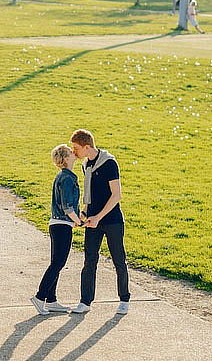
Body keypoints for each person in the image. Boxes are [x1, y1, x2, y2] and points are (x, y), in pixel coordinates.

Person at [69, 129, 130, 315]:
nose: (73, 152)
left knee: (119, 259)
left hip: (112, 220)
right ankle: (85, 301)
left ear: (87, 147)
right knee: (89, 261)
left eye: (76, 148)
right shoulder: (86, 164)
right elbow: (90, 195)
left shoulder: (109, 163)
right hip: (92, 220)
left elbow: (116, 195)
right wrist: (83, 213)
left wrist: (98, 217)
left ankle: (124, 299)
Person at [30, 145, 84, 315]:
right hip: (62, 225)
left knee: (56, 262)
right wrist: (79, 222)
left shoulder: (63, 176)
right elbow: (67, 207)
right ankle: (40, 297)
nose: (73, 153)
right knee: (58, 263)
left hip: (57, 224)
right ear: (65, 158)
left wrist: (75, 220)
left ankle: (51, 300)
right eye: (70, 152)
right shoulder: (67, 178)